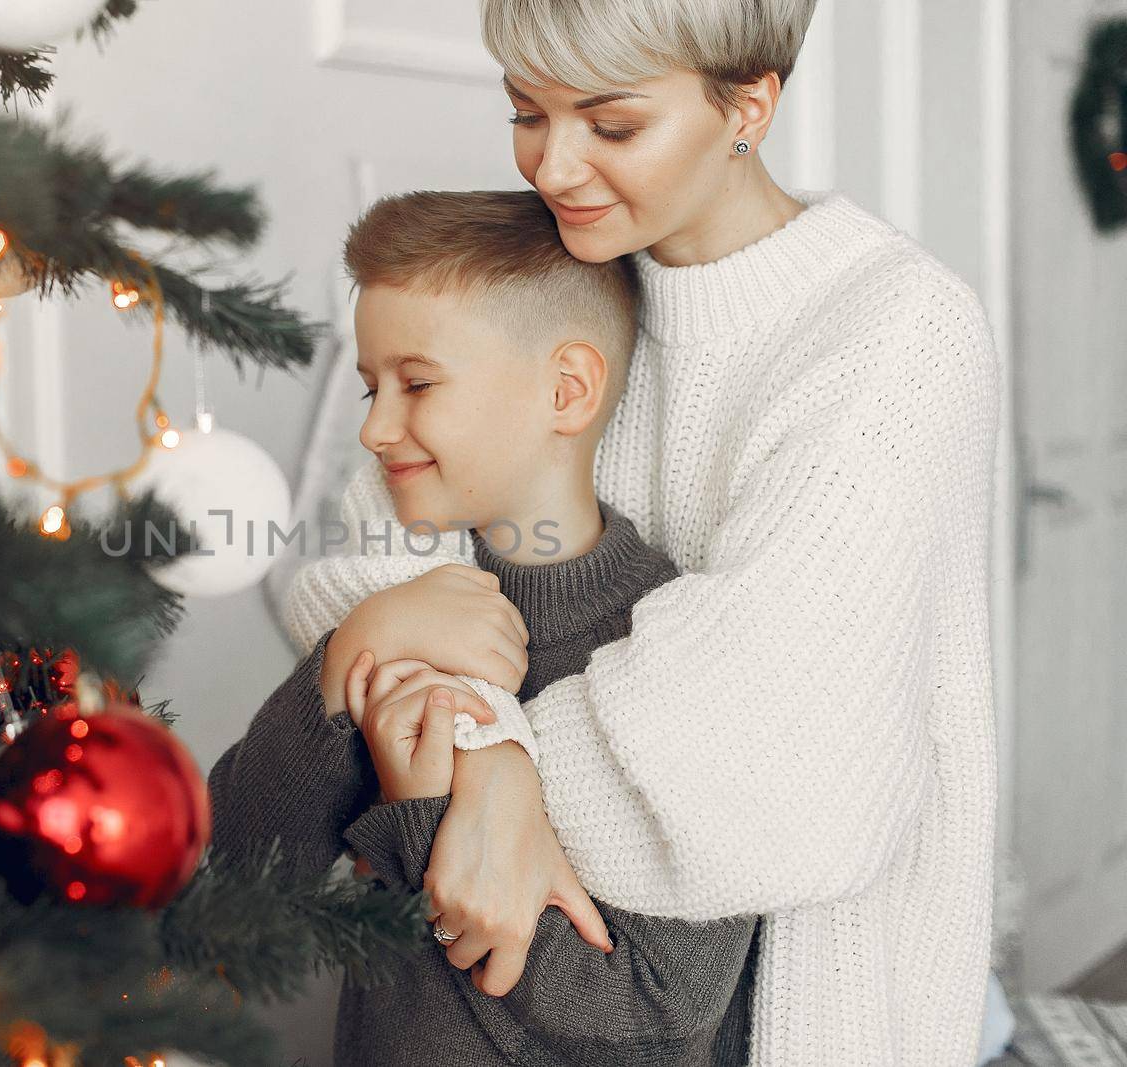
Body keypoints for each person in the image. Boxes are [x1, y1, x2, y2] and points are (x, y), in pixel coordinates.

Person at [285, 2, 1002, 1063]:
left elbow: (779, 736)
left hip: (793, 1008)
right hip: (490, 996)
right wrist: (482, 750)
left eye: (610, 126)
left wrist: (489, 769)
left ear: (746, 106)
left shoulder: (896, 333)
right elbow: (373, 549)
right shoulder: (556, 271)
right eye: (526, 111)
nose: (554, 166)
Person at [210, 189, 759, 1066]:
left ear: (567, 389)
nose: (376, 426)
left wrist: (425, 818)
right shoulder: (392, 610)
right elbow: (227, 886)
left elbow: (660, 1018)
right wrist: (347, 653)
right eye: (370, 386)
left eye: (417, 383)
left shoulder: (678, 651)